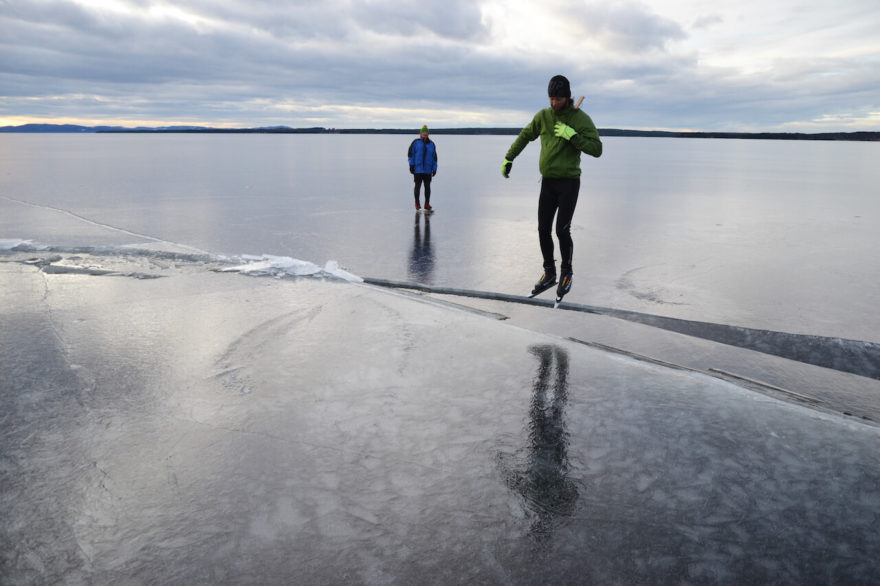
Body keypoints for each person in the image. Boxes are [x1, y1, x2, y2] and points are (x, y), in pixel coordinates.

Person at [502, 75, 602, 300]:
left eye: (558, 99)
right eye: (551, 98)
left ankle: (567, 272)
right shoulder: (544, 116)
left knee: (562, 230)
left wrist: (573, 136)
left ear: (568, 98)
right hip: (547, 183)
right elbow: (526, 136)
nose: (554, 103)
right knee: (542, 229)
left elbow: (597, 149)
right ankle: (549, 273)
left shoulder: (579, 119)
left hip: (568, 184)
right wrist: (509, 158)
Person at [408, 125, 438, 211]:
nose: (425, 134)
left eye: (426, 132)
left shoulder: (432, 144)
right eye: (423, 132)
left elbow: (434, 157)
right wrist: (411, 165)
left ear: (428, 134)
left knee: (427, 187)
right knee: (417, 186)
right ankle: (417, 203)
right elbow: (411, 154)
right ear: (420, 133)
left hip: (428, 170)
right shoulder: (415, 143)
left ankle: (427, 204)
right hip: (417, 169)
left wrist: (434, 168)